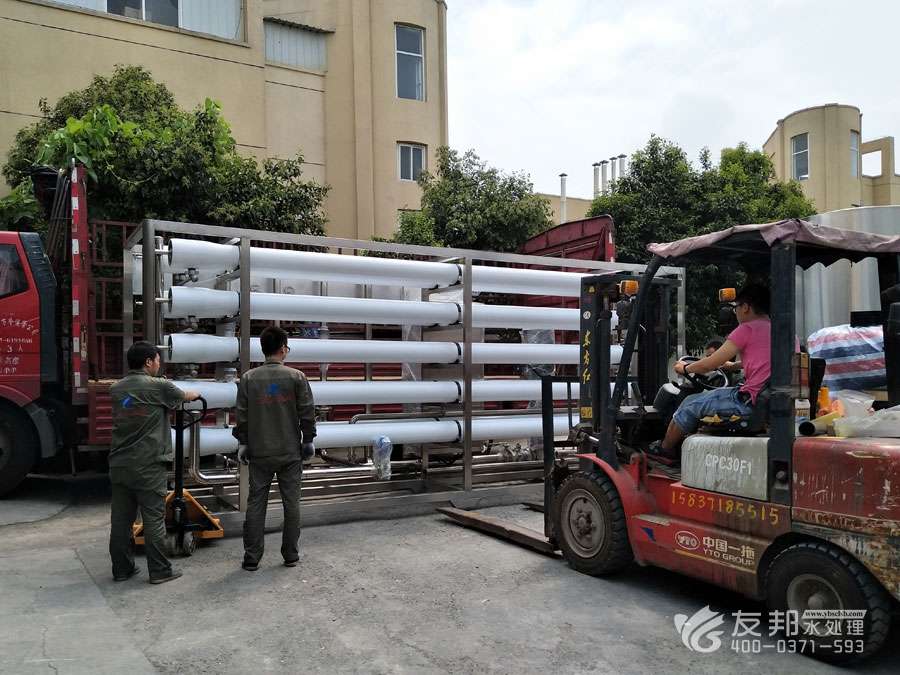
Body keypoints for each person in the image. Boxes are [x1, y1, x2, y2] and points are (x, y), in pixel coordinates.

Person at [108, 341, 200, 584]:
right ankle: (159, 570)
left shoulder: (116, 389)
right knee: (153, 519)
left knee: (121, 520)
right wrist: (196, 393)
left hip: (119, 463)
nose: (159, 365)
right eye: (158, 360)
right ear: (148, 361)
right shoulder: (158, 386)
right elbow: (184, 396)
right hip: (148, 464)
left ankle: (122, 569)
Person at [654, 284, 771, 460]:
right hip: (769, 402)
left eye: (736, 307)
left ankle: (665, 450)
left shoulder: (746, 329)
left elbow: (708, 365)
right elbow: (767, 360)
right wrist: (733, 366)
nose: (735, 312)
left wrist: (684, 368)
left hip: (748, 402)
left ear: (746, 307)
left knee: (689, 403)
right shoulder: (783, 332)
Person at [234, 326, 316, 571]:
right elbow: (307, 411)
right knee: (291, 504)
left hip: (259, 452)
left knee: (256, 503)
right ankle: (290, 555)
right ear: (283, 349)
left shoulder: (249, 378)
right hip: (290, 452)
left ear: (263, 349)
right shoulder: (296, 377)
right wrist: (308, 440)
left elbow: (242, 415)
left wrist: (243, 443)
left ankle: (252, 557)